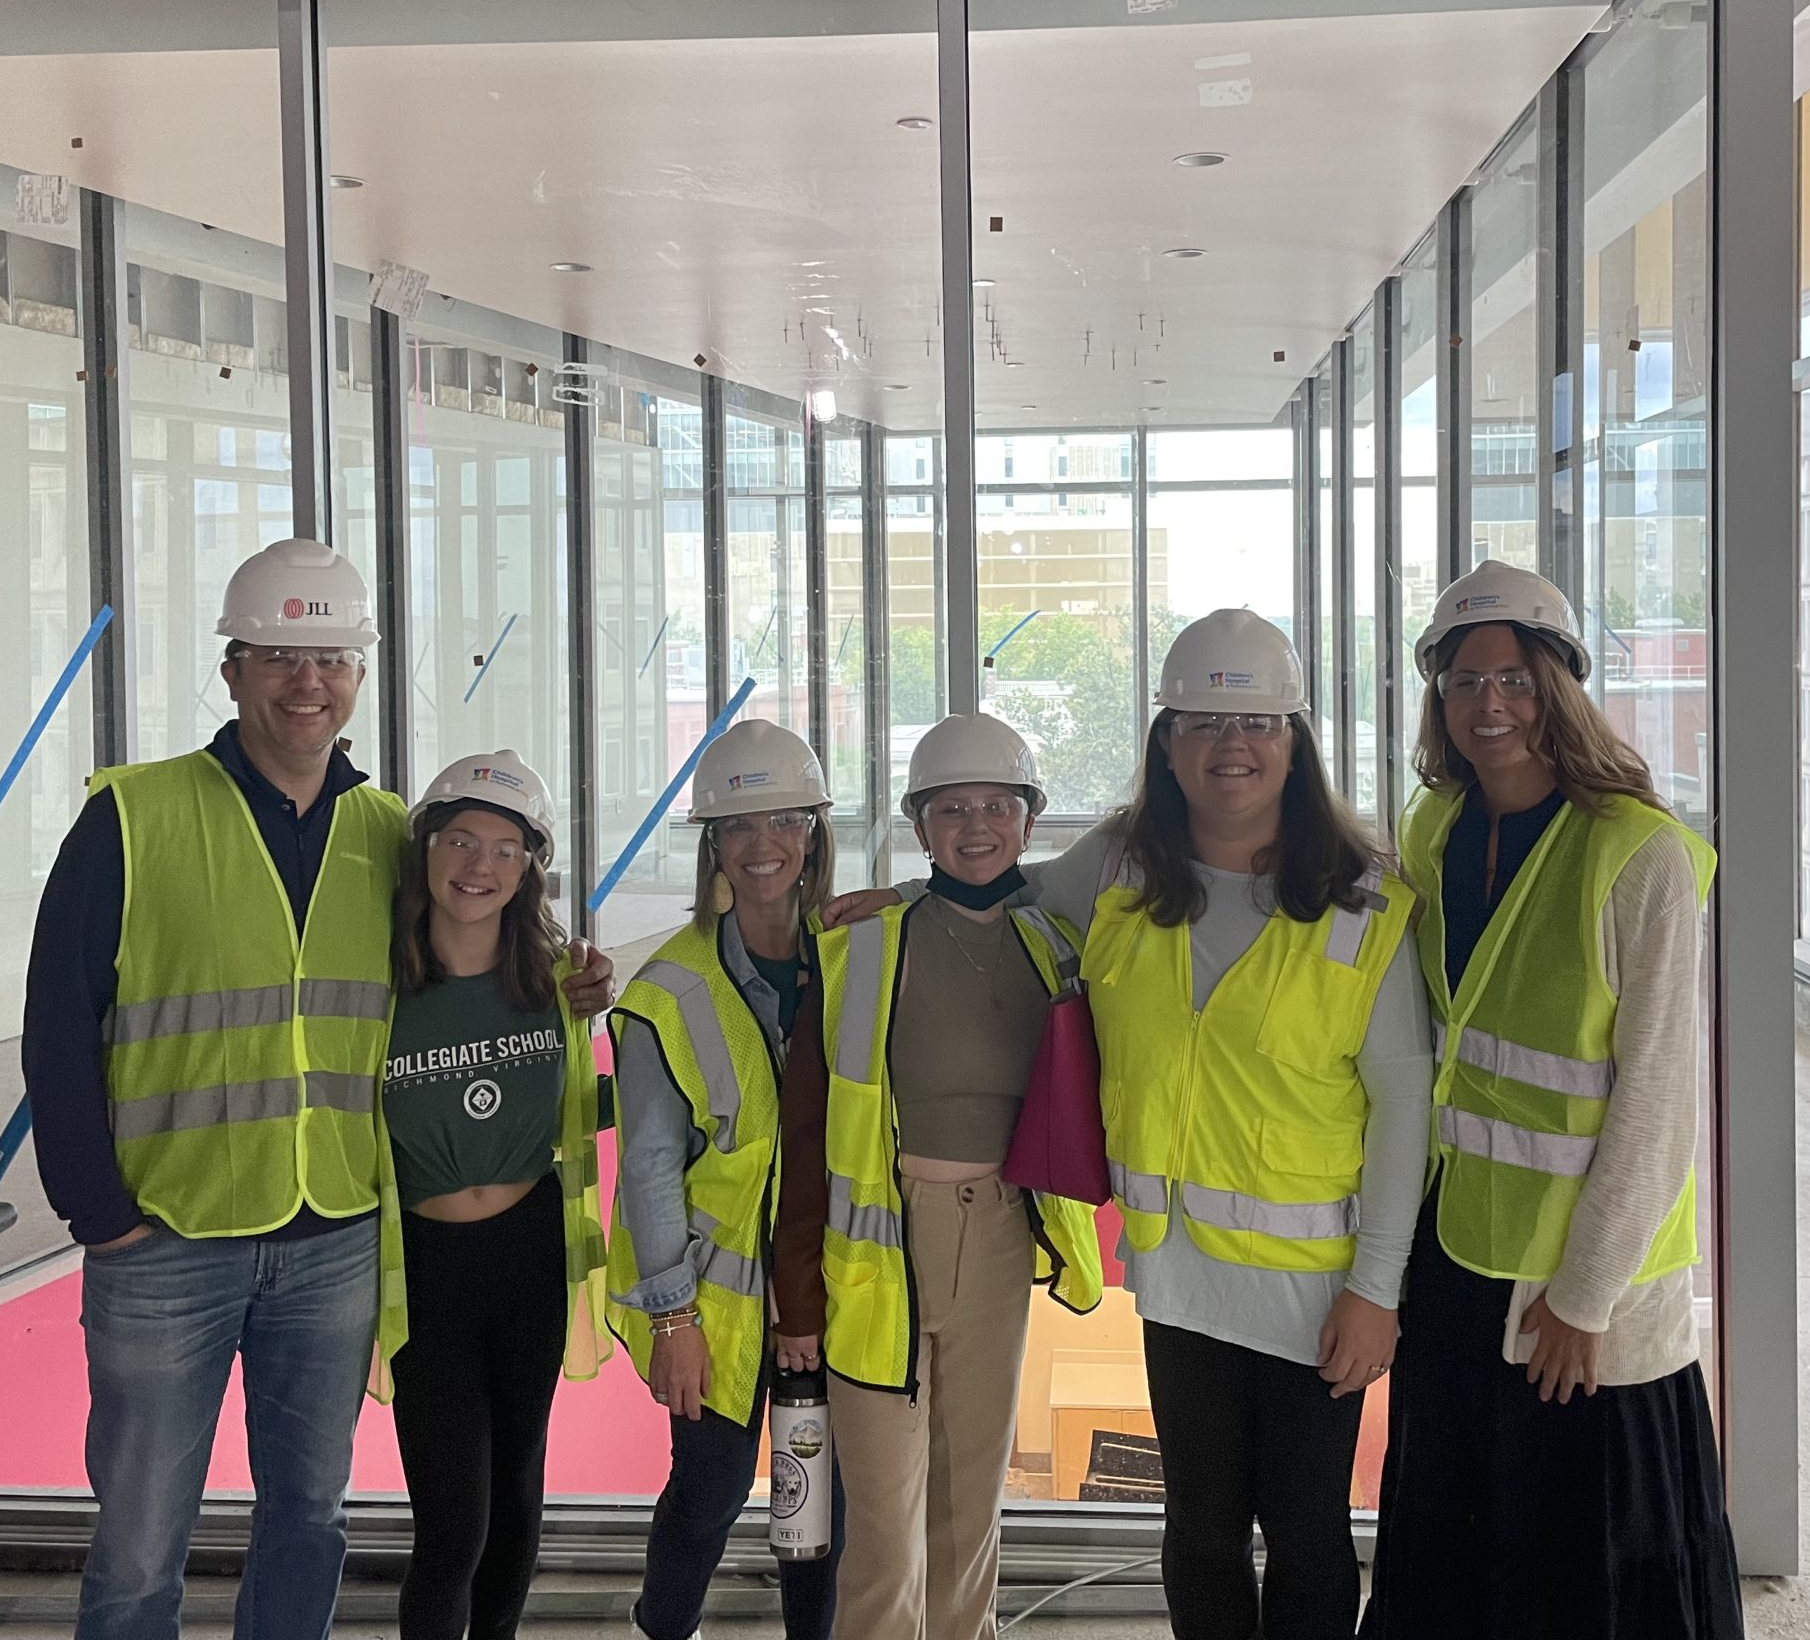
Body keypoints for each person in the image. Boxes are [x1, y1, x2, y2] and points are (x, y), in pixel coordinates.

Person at [828, 610, 1429, 1640]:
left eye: (1256, 724)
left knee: (1307, 1531)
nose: (1228, 748)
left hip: (1316, 1290)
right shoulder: (1118, 868)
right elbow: (993, 892)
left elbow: (1404, 1103)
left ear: (1296, 741)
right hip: (1179, 1279)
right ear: (1165, 741)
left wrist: (1378, 1288)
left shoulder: (1361, 901)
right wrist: (896, 897)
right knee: (1196, 1531)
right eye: (1199, 722)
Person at [22, 539, 404, 1640]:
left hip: (331, 1230)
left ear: (359, 675)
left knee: (310, 1518)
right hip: (164, 1239)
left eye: (329, 656)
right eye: (279, 655)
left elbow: (470, 978)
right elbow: (57, 1027)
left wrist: (564, 983)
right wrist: (99, 1212)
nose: (307, 682)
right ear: (232, 670)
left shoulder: (391, 836)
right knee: (140, 1546)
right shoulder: (131, 819)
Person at [1358, 561, 1742, 1639]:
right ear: (1437, 699)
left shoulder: (1638, 854)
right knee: (1452, 1539)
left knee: (1587, 1564)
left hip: (1581, 1283)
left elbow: (1657, 1101)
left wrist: (1583, 1297)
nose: (1490, 705)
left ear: (1562, 687)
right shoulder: (1432, 827)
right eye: (1465, 682)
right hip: (1459, 1252)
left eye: (1516, 680)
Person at [774, 712, 1104, 1640]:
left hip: (999, 1234)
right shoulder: (862, 946)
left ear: (1029, 820)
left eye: (997, 805)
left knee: (969, 1508)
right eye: (950, 808)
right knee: (883, 1519)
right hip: (878, 1248)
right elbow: (805, 1136)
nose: (974, 826)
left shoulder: (1057, 944)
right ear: (919, 826)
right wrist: (795, 1296)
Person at [607, 718, 847, 1640]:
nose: (763, 846)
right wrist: (673, 1320)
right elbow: (651, 1167)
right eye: (741, 828)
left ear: (812, 835)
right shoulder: (669, 988)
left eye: (784, 822)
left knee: (819, 1509)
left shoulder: (854, 957)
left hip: (832, 1297)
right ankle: (664, 1629)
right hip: (713, 1310)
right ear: (714, 844)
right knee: (703, 1500)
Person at [379, 749, 616, 1640]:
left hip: (529, 1257)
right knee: (452, 1524)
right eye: (461, 841)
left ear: (528, 871)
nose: (479, 867)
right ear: (427, 851)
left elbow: (590, 1105)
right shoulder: (377, 987)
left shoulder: (556, 980)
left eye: (504, 850)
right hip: (426, 1266)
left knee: (517, 1498)